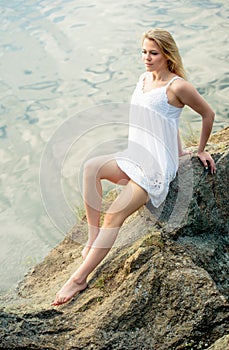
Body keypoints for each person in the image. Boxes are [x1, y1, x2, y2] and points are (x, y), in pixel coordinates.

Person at [52, 28, 216, 306]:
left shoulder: (178, 86)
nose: (147, 58)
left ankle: (79, 279)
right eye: (144, 52)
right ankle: (93, 238)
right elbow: (166, 120)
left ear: (167, 55)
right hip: (135, 156)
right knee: (91, 167)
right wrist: (179, 149)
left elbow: (207, 113)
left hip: (154, 168)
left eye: (153, 53)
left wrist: (199, 150)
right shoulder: (143, 80)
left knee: (113, 216)